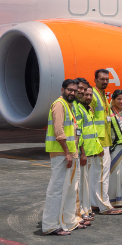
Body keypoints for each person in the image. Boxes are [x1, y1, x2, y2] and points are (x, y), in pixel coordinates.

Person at [43, 79, 84, 235]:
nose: (72, 93)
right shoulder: (59, 105)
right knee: (57, 190)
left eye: (74, 90)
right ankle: (50, 225)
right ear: (63, 89)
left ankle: (68, 220)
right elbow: (59, 132)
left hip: (70, 153)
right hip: (61, 153)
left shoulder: (69, 106)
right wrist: (67, 152)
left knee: (70, 189)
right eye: (69, 90)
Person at [89, 69, 116, 214]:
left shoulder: (103, 96)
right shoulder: (93, 96)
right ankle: (105, 206)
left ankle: (95, 203)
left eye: (107, 79)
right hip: (99, 142)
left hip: (104, 140)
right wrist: (96, 142)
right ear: (95, 79)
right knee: (102, 176)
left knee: (96, 175)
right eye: (102, 79)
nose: (105, 81)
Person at [74, 80, 100, 222]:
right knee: (81, 184)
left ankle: (86, 208)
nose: (88, 96)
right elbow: (80, 133)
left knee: (86, 183)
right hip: (83, 152)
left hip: (90, 151)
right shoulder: (78, 108)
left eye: (90, 94)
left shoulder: (87, 108)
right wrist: (83, 153)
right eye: (85, 93)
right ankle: (81, 211)